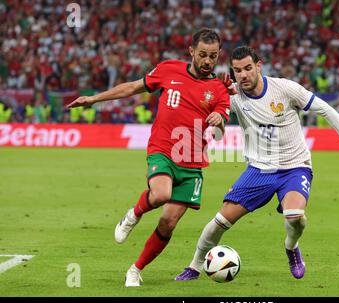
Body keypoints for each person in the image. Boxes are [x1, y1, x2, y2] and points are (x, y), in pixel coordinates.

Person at [176, 46, 339, 281]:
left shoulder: (285, 89)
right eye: (237, 71)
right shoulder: (232, 95)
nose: (243, 75)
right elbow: (214, 125)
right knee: (220, 221)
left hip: (294, 166)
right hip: (258, 170)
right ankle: (195, 266)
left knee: (295, 217)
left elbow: (325, 109)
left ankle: (291, 248)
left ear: (259, 66)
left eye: (248, 68)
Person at [66, 28, 230, 287]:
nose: (207, 61)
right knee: (162, 193)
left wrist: (219, 120)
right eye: (202, 55)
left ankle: (135, 269)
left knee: (168, 223)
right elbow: (132, 87)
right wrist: (94, 99)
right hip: (163, 150)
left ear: (219, 55)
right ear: (191, 52)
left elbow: (221, 127)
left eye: (213, 56)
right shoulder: (169, 69)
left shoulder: (220, 88)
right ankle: (133, 214)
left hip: (193, 161)